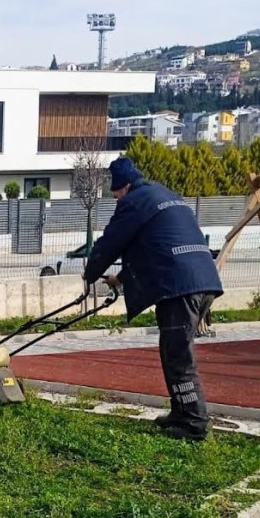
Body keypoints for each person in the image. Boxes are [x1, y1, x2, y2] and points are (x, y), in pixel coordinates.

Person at [81, 158, 223, 441]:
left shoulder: (134, 202)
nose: (115, 196)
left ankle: (194, 423)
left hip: (179, 287)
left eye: (117, 191)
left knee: (177, 355)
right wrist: (117, 281)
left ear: (126, 186)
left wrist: (90, 274)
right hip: (202, 280)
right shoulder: (166, 195)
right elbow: (155, 248)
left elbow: (109, 243)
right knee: (172, 351)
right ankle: (180, 411)